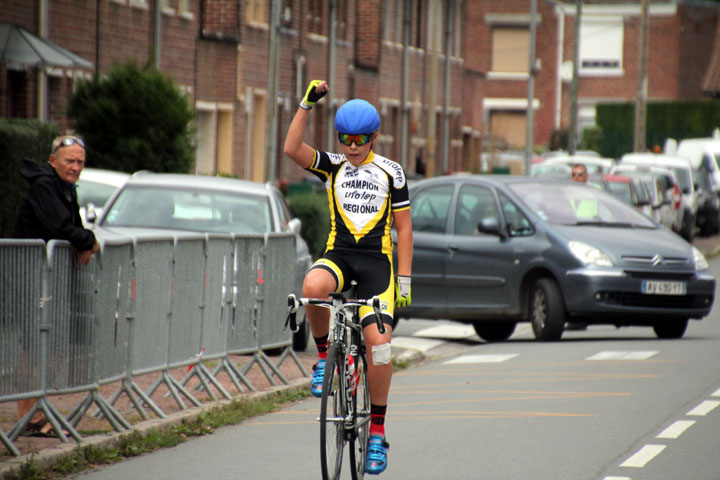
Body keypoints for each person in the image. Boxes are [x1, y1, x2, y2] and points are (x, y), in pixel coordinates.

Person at [283, 80, 413, 475]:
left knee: (379, 344)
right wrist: (306, 104)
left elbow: (404, 229)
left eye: (359, 139)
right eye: (344, 138)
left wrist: (404, 281)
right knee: (311, 287)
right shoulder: (333, 166)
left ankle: (376, 432)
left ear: (374, 137)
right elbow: (291, 149)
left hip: (377, 264)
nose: (352, 146)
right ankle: (325, 359)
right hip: (340, 254)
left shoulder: (392, 172)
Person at [13, 134, 100, 434]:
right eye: (70, 161)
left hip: (49, 279)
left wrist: (84, 239)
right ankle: (27, 413)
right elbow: (61, 226)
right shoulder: (44, 187)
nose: (75, 167)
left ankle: (38, 407)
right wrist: (89, 242)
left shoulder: (65, 189)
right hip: (29, 276)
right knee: (33, 346)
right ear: (53, 161)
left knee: (49, 346)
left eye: (80, 162)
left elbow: (74, 225)